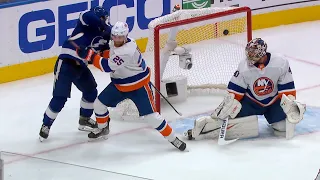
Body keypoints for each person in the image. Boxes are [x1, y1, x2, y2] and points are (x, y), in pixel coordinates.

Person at [77, 21, 187, 151]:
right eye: (115, 36)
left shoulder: (127, 50)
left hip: (138, 87)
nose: (117, 40)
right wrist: (101, 52)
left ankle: (173, 138)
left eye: (120, 37)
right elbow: (110, 55)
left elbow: (106, 66)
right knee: (98, 105)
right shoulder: (118, 43)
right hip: (119, 85)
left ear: (126, 36)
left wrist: (90, 55)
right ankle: (102, 129)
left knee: (151, 117)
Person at [185, 38, 306, 141]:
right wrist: (228, 106)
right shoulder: (244, 67)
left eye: (254, 55)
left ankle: (274, 118)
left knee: (282, 128)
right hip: (251, 102)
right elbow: (234, 92)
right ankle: (205, 128)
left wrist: (290, 104)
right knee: (231, 116)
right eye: (249, 54)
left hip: (273, 102)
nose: (250, 58)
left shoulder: (280, 63)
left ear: (262, 54)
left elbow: (287, 89)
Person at [39, 6, 112, 141]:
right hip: (66, 63)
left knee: (91, 91)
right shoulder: (86, 23)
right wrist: (103, 25)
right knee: (60, 98)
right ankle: (46, 125)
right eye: (104, 18)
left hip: (81, 67)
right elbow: (85, 14)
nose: (106, 21)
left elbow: (105, 52)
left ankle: (84, 119)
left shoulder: (104, 35)